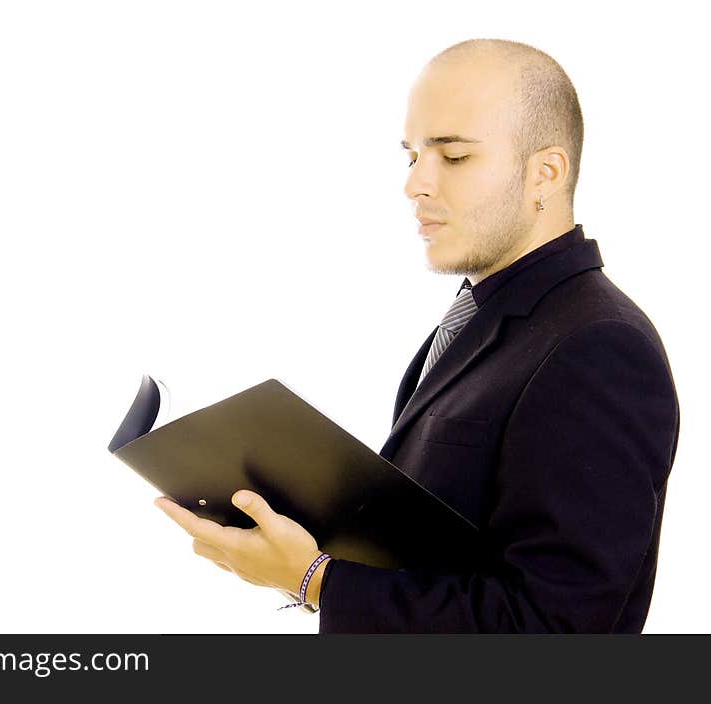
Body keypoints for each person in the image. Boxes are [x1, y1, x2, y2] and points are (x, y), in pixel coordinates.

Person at [154, 38, 680, 633]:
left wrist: (315, 579)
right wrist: (298, 534)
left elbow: (556, 628)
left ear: (546, 173)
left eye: (453, 157)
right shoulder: (482, 318)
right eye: (412, 156)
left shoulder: (599, 347)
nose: (417, 184)